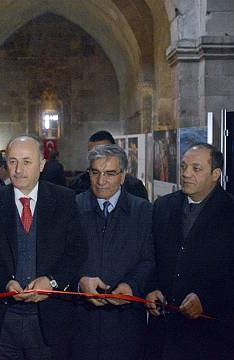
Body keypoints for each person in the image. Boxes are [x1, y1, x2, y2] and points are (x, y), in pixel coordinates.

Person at [144, 143, 234, 360]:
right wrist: (152, 288)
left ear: (216, 174)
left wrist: (205, 299)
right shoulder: (162, 207)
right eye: (184, 166)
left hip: (213, 336)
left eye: (196, 169)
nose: (186, 174)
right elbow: (152, 256)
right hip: (164, 336)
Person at [0, 135, 87, 359]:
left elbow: (77, 251)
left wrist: (52, 281)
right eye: (13, 161)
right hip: (2, 321)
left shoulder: (65, 200)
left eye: (27, 161)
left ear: (42, 164)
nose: (18, 169)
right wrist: (5, 282)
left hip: (50, 320)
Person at [70, 144, 154, 360]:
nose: (101, 181)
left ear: (123, 176)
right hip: (80, 322)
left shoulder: (142, 210)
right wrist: (80, 281)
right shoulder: (72, 207)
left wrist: (131, 286)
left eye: (109, 174)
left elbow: (149, 259)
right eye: (95, 172)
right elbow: (61, 258)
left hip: (125, 325)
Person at [69, 130, 148, 200]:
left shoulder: (134, 186)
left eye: (104, 152)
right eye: (93, 153)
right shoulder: (77, 184)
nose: (101, 181)